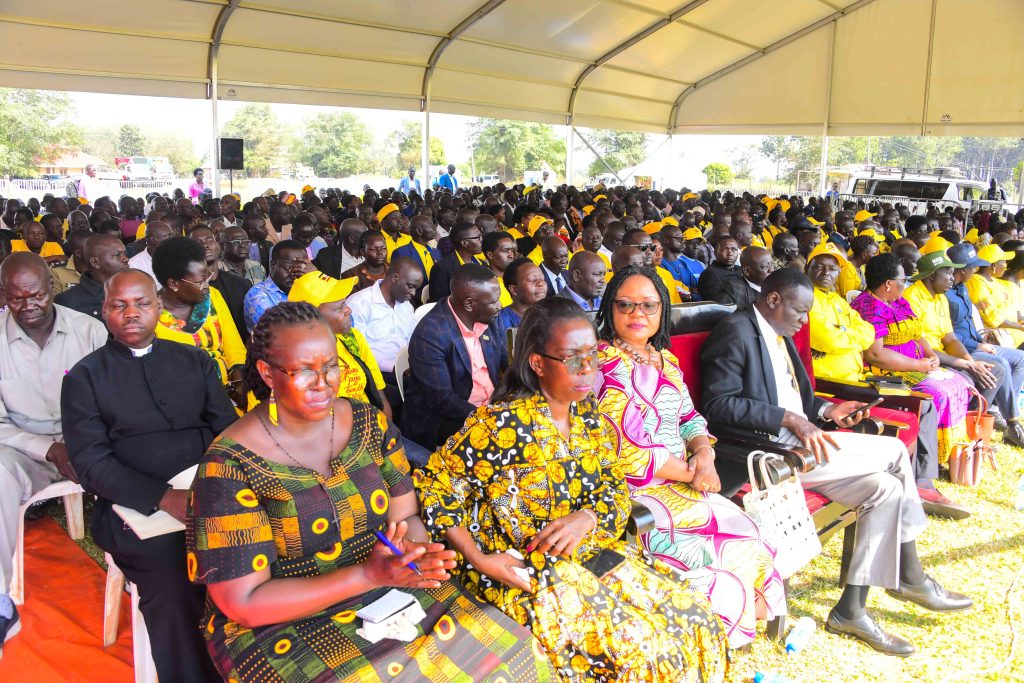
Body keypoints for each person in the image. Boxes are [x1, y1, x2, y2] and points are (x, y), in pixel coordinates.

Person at [185, 302, 550, 682]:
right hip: (282, 621)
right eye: (304, 371)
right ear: (267, 372)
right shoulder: (230, 466)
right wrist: (368, 576)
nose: (323, 382)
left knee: (516, 656)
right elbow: (243, 604)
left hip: (388, 584)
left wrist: (410, 552)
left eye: (330, 367)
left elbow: (405, 517)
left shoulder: (367, 423)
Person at [416, 297, 728, 681]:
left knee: (695, 616)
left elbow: (613, 488)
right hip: (525, 570)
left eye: (591, 356)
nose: (586, 370)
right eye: (571, 358)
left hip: (591, 553)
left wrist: (588, 516)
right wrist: (479, 560)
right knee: (640, 648)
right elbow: (434, 487)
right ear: (538, 363)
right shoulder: (499, 425)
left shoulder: (588, 415)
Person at [701, 268, 971, 656]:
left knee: (886, 488)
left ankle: (851, 610)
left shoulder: (781, 333)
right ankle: (910, 576)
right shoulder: (737, 331)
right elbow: (718, 404)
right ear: (773, 300)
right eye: (799, 311)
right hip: (769, 454)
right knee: (895, 452)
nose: (803, 321)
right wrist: (789, 419)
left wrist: (828, 409)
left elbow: (798, 400)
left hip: (804, 444)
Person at [594, 266, 784, 648]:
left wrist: (705, 454)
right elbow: (627, 449)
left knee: (748, 532)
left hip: (686, 479)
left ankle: (738, 620)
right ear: (610, 309)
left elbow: (689, 417)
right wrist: (692, 474)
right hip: (635, 490)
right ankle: (710, 632)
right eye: (626, 305)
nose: (637, 314)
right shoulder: (603, 364)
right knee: (708, 550)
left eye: (648, 306)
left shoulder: (663, 359)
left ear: (662, 311)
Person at [62, 269, 235, 681]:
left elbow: (227, 431)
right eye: (119, 305)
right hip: (133, 508)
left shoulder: (194, 360)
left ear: (158, 307)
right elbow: (91, 463)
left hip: (207, 489)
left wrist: (220, 485)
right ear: (104, 312)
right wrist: (163, 497)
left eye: (141, 303)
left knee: (268, 548)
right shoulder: (85, 377)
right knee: (176, 581)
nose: (131, 313)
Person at [0, 253, 107, 657]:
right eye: (16, 298)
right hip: (24, 448)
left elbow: (111, 400)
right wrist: (49, 448)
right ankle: (1, 603)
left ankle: (147, 575)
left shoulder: (89, 331)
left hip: (90, 443)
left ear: (52, 287)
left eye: (36, 295)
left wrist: (82, 444)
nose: (27, 306)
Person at [901, 250, 1009, 433]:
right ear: (933, 274)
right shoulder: (912, 298)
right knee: (966, 379)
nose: (953, 278)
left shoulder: (941, 297)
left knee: (994, 370)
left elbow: (950, 338)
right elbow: (920, 346)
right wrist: (967, 365)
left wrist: (972, 362)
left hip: (944, 355)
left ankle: (971, 426)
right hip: (925, 358)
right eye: (948, 273)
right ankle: (955, 428)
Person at [404, 264, 507, 450]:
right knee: (501, 443)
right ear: (469, 303)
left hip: (489, 405)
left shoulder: (490, 315)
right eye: (493, 301)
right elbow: (442, 399)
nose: (499, 306)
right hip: (444, 417)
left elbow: (508, 363)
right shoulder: (431, 333)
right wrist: (488, 417)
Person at [152, 237, 247, 407]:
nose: (206, 285)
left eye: (207, 277)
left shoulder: (213, 297)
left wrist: (239, 383)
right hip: (184, 401)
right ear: (173, 283)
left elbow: (234, 347)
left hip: (230, 393)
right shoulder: (151, 316)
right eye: (199, 282)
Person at [946, 242, 1024, 446]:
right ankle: (1012, 423)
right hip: (962, 348)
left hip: (975, 342)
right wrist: (978, 346)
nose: (976, 270)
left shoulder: (961, 288)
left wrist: (981, 340)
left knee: (1020, 358)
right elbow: (947, 334)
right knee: (1001, 364)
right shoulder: (946, 293)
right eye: (973, 266)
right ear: (963, 270)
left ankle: (1003, 409)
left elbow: (970, 323)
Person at [345, 258, 422, 408]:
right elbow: (358, 352)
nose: (413, 293)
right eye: (410, 286)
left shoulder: (406, 306)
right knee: (416, 394)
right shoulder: (359, 304)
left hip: (407, 367)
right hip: (376, 372)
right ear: (394, 278)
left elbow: (414, 340)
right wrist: (393, 366)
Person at [191, 225, 253, 344]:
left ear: (218, 244)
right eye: (198, 243)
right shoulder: (188, 289)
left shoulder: (241, 284)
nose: (205, 245)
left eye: (210, 240)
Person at [54, 234, 129, 321]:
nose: (126, 259)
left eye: (125, 253)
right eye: (117, 255)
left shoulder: (134, 288)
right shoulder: (68, 301)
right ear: (95, 262)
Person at [243, 240, 312, 332]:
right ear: (272, 265)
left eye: (300, 269)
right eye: (288, 269)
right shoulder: (257, 295)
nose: (294, 274)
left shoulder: (309, 289)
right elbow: (282, 333)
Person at [427, 222, 483, 302]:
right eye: (478, 237)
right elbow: (439, 303)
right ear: (464, 243)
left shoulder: (482, 264)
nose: (482, 240)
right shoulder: (441, 269)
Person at [497, 257, 547, 329]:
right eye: (532, 279)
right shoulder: (501, 321)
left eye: (542, 278)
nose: (540, 283)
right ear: (514, 289)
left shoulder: (549, 314)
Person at [696, 235, 742, 302]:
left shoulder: (741, 270)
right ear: (715, 252)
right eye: (725, 249)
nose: (730, 253)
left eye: (733, 249)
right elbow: (721, 302)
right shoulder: (710, 274)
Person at [480, 230, 518, 306]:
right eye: (505, 250)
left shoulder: (517, 276)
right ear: (490, 255)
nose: (511, 255)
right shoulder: (486, 286)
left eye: (512, 250)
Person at [49, 228, 90, 295]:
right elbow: (56, 302)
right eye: (92, 248)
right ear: (78, 253)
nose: (97, 250)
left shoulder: (102, 268)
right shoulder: (56, 271)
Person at [836, 235, 879, 299]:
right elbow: (848, 297)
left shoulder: (862, 267)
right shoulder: (847, 268)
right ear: (864, 254)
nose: (876, 256)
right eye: (874, 254)